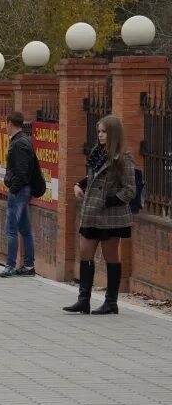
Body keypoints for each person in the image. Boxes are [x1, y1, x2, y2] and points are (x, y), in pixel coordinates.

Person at [64, 115, 136, 315]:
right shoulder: (98, 153)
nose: (101, 135)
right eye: (99, 132)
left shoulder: (123, 157)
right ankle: (83, 299)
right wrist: (80, 184)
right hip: (91, 213)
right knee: (85, 251)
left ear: (113, 133)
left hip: (110, 216)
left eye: (104, 132)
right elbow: (93, 176)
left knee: (110, 255)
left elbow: (130, 190)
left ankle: (111, 302)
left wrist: (108, 201)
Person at [0, 111, 36, 278]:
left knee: (11, 229)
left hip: (19, 191)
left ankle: (10, 265)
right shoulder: (22, 140)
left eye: (6, 124)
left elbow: (21, 171)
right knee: (25, 228)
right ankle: (28, 266)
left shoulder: (19, 143)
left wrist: (13, 189)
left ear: (9, 123)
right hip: (23, 189)